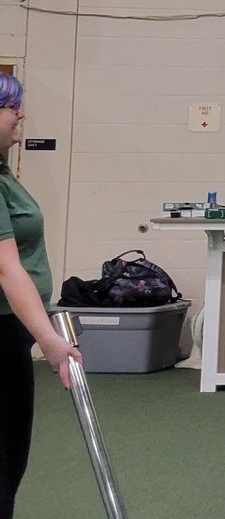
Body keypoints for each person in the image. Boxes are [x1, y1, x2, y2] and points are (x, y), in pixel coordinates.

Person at [0, 73, 82, 519]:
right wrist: (50, 341)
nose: (21, 114)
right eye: (12, 106)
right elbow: (7, 268)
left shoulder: (3, 172)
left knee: (10, 463)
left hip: (11, 336)